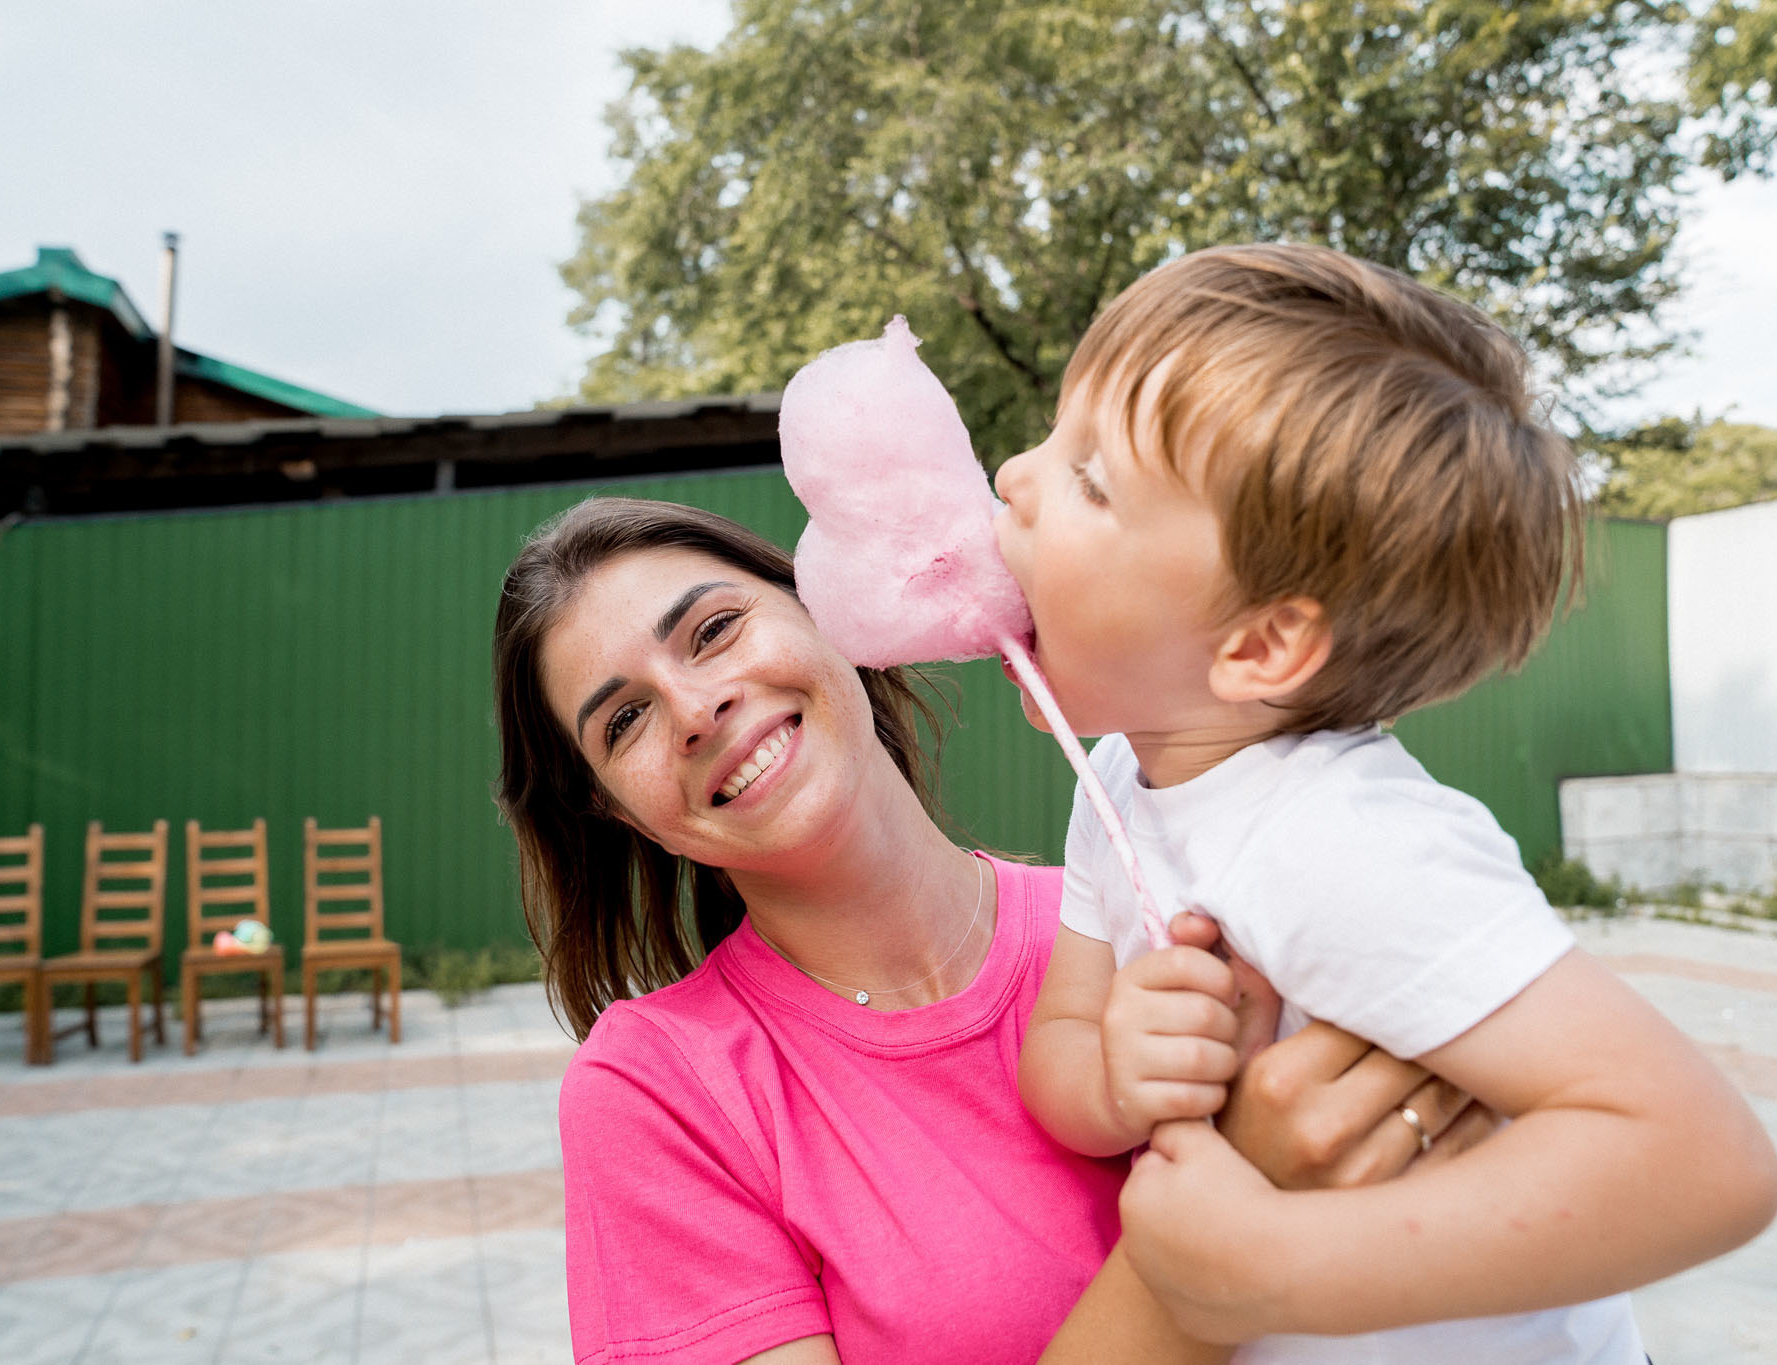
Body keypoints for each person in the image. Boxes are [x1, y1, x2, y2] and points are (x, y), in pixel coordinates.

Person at [999, 243, 1777, 1357]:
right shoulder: (1121, 775)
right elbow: (1063, 1046)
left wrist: (1275, 1274)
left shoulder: (1349, 845)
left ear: (1261, 644)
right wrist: (1116, 1074)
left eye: (1088, 478)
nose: (1010, 479)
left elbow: (1702, 1163)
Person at [494, 497, 1492, 1365]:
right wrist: (1236, 1208)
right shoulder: (658, 1094)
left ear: (830, 609)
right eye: (621, 721)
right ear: (615, 812)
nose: (695, 707)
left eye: (713, 630)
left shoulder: (1153, 905)